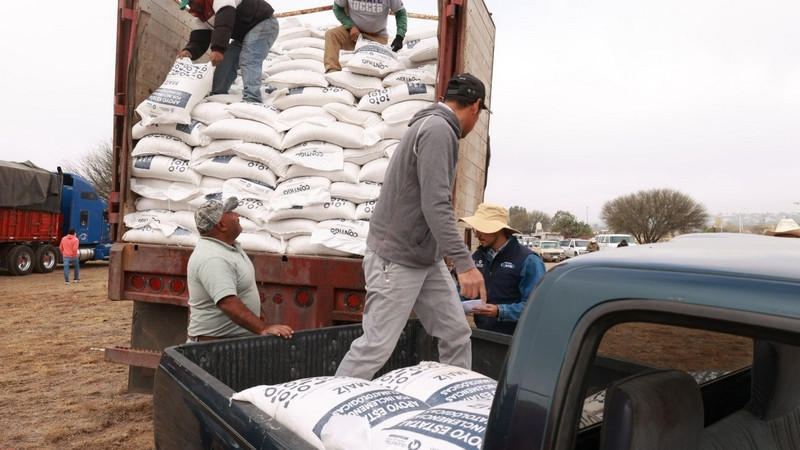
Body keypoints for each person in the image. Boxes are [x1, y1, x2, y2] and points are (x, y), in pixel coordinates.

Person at [335, 73, 491, 380]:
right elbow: (435, 204)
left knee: (456, 333)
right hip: (397, 258)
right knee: (376, 346)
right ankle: (329, 402)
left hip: (424, 258)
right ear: (475, 106)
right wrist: (465, 264)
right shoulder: (438, 130)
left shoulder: (434, 126)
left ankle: (454, 396)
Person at [186, 196, 293, 342]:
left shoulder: (229, 247)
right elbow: (227, 302)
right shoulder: (213, 258)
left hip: (228, 343)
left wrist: (258, 314)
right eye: (230, 212)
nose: (237, 214)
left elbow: (241, 288)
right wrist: (262, 328)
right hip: (212, 347)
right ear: (222, 225)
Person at [459, 203, 546, 335]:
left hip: (516, 339)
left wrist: (500, 311)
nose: (476, 234)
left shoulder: (529, 261)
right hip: (484, 335)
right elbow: (463, 292)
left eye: (481, 229)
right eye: (475, 229)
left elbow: (535, 306)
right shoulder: (477, 257)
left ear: (498, 229)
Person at [177, 0, 279, 103]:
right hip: (243, 35)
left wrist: (218, 49)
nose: (191, 8)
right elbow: (199, 40)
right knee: (226, 60)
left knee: (249, 58)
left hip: (263, 23)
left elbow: (224, 21)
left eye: (191, 3)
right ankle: (217, 96)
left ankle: (252, 98)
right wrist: (188, 52)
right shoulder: (201, 17)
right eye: (188, 5)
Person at [324, 0, 408, 73]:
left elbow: (400, 12)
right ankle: (332, 71)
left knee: (373, 67)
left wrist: (400, 36)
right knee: (331, 35)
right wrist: (350, 26)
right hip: (353, 33)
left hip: (377, 37)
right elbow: (337, 8)